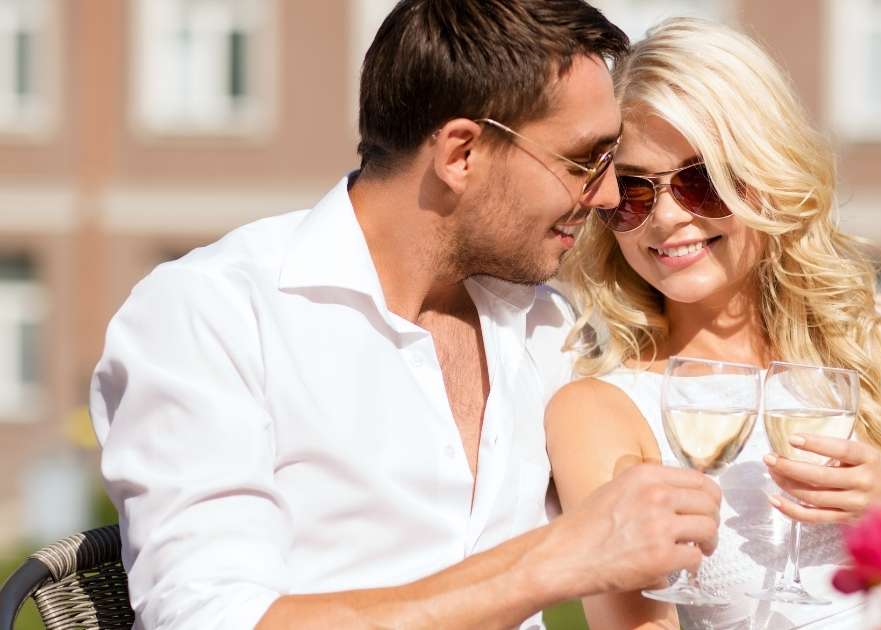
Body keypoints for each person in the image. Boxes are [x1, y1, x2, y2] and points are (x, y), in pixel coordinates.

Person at [88, 2, 730, 629]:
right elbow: (210, 618)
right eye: (584, 160)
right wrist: (554, 562)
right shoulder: (214, 315)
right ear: (460, 154)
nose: (611, 193)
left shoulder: (547, 327)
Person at [546, 18, 881, 630]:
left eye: (702, 182)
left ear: (769, 177)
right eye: (635, 192)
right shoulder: (602, 408)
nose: (666, 219)